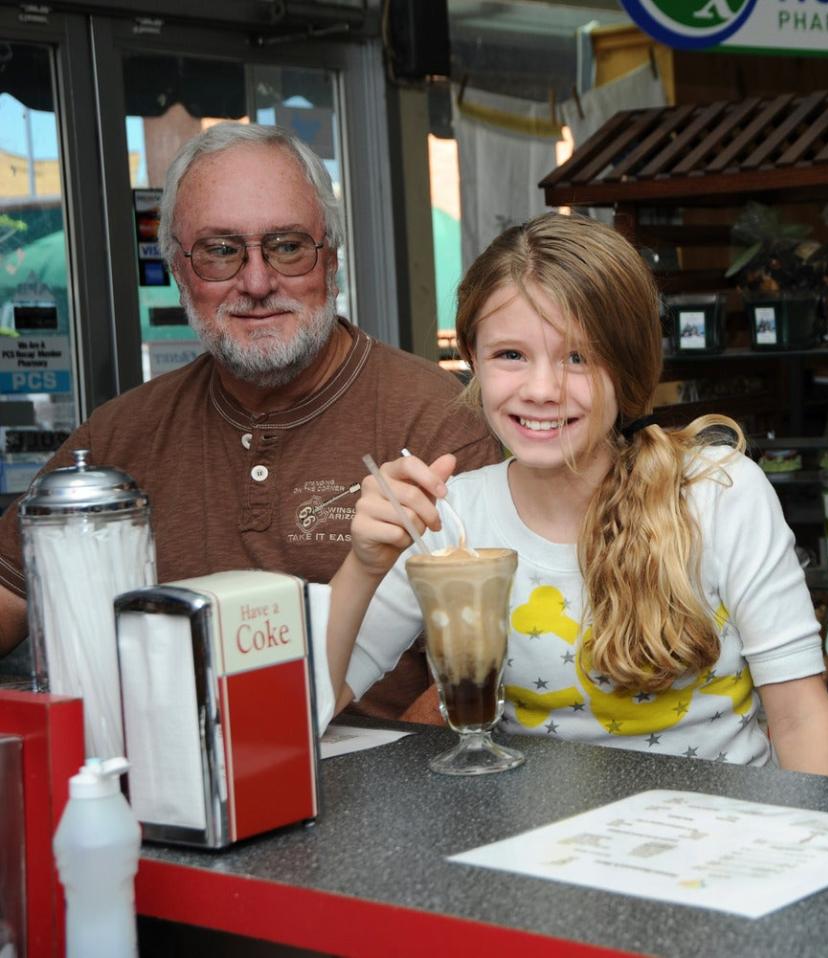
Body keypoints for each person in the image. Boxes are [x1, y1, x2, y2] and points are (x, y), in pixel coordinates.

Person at [323, 212, 828, 775]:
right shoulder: (447, 522)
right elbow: (309, 707)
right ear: (472, 360)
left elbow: (798, 718)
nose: (543, 390)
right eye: (510, 355)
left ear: (627, 369)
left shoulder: (719, 493)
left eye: (578, 356)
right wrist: (363, 565)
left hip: (726, 839)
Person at [0, 123, 499, 720]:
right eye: (221, 251)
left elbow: (491, 661)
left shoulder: (439, 422)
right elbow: (11, 596)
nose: (258, 282)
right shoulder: (118, 436)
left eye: (287, 246)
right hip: (169, 779)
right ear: (179, 271)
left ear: (331, 261)